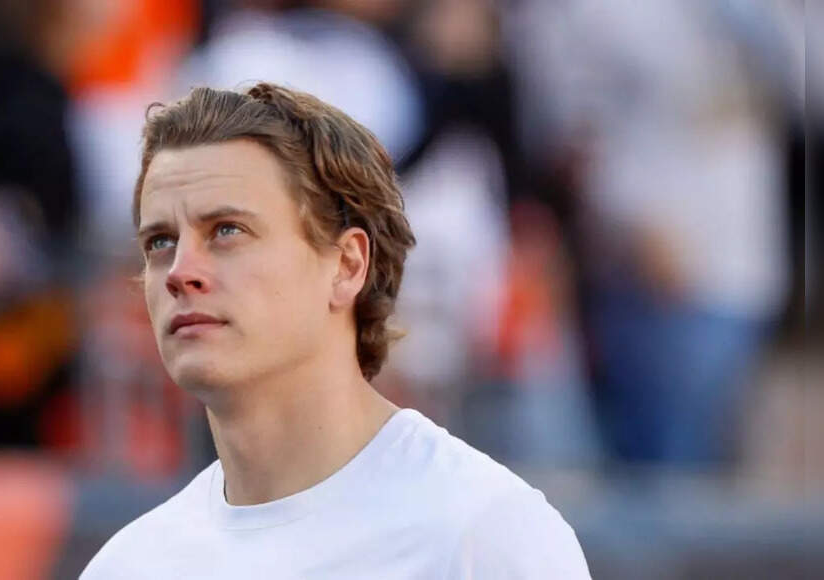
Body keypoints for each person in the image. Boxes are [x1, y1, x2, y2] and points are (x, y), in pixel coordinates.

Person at [80, 82, 590, 579]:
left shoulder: (482, 534)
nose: (179, 271)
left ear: (347, 265)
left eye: (228, 231)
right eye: (160, 242)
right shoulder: (130, 565)